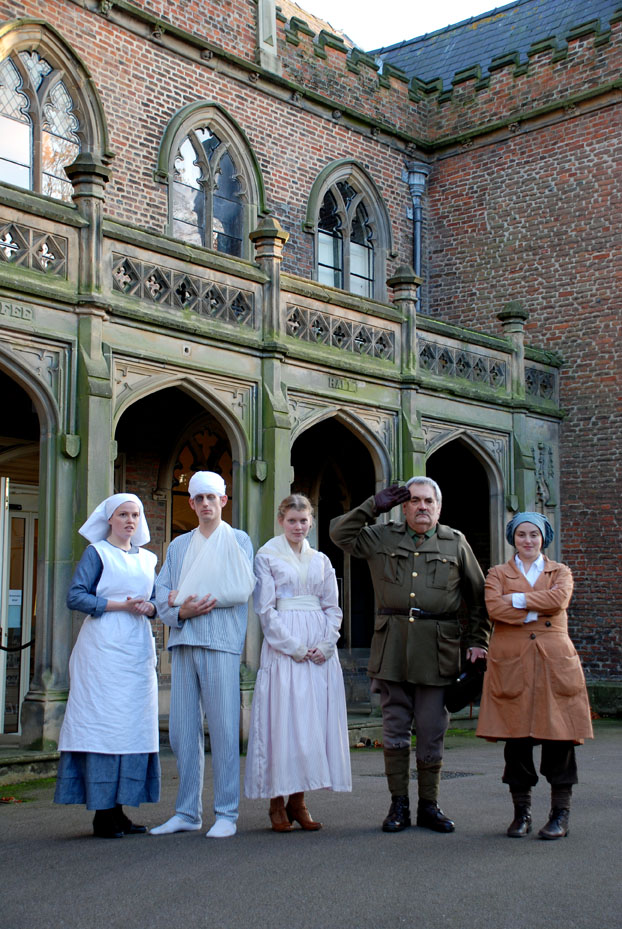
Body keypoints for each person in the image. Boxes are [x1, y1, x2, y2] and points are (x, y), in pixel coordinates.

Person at [330, 477, 490, 833]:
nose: (422, 507)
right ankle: (398, 805)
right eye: (414, 501)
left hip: (438, 651)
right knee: (395, 729)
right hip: (392, 649)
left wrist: (479, 641)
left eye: (428, 501)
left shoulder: (455, 542)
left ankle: (429, 805)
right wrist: (374, 505)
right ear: (403, 506)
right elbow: (340, 535)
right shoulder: (382, 537)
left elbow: (478, 597)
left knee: (432, 730)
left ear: (438, 506)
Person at [476, 512, 593, 839]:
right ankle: (521, 813)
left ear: (544, 539)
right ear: (513, 537)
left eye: (534, 535)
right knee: (517, 742)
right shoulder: (497, 573)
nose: (527, 540)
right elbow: (494, 609)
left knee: (560, 738)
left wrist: (516, 601)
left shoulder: (561, 572)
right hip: (512, 664)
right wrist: (532, 606)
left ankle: (560, 815)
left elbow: (558, 601)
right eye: (521, 534)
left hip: (553, 663)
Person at [151, 471, 254, 839]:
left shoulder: (238, 540)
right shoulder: (178, 547)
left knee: (225, 729)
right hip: (183, 641)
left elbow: (240, 589)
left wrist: (184, 598)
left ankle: (226, 812)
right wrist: (180, 610)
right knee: (181, 730)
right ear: (191, 503)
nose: (206, 504)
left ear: (224, 501)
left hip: (221, 643)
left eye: (213, 498)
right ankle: (187, 811)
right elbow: (160, 594)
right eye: (200, 499)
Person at [54, 493, 160, 839]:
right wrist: (119, 605)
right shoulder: (97, 553)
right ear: (109, 520)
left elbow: (155, 598)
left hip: (136, 647)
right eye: (123, 514)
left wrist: (152, 607)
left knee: (130, 725)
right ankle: (103, 812)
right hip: (102, 648)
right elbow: (76, 596)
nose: (130, 520)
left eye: (135, 514)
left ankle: (120, 810)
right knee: (104, 724)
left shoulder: (148, 559)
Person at [244, 494, 351, 831]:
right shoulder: (267, 556)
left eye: (304, 521)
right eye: (292, 520)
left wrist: (326, 643)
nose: (298, 526)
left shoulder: (321, 560)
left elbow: (332, 607)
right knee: (283, 721)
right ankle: (277, 802)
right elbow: (265, 608)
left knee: (310, 724)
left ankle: (299, 802)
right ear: (281, 521)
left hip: (318, 650)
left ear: (311, 522)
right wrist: (292, 646)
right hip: (285, 648)